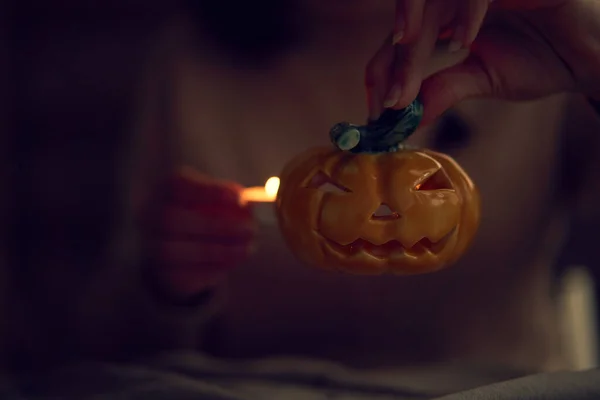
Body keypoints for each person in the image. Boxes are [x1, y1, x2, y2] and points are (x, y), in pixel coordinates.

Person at [7, 0, 600, 398]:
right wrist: (166, 286)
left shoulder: (523, 39)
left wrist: (589, 49)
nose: (381, 213)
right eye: (341, 193)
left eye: (424, 191)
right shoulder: (189, 64)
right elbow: (105, 348)